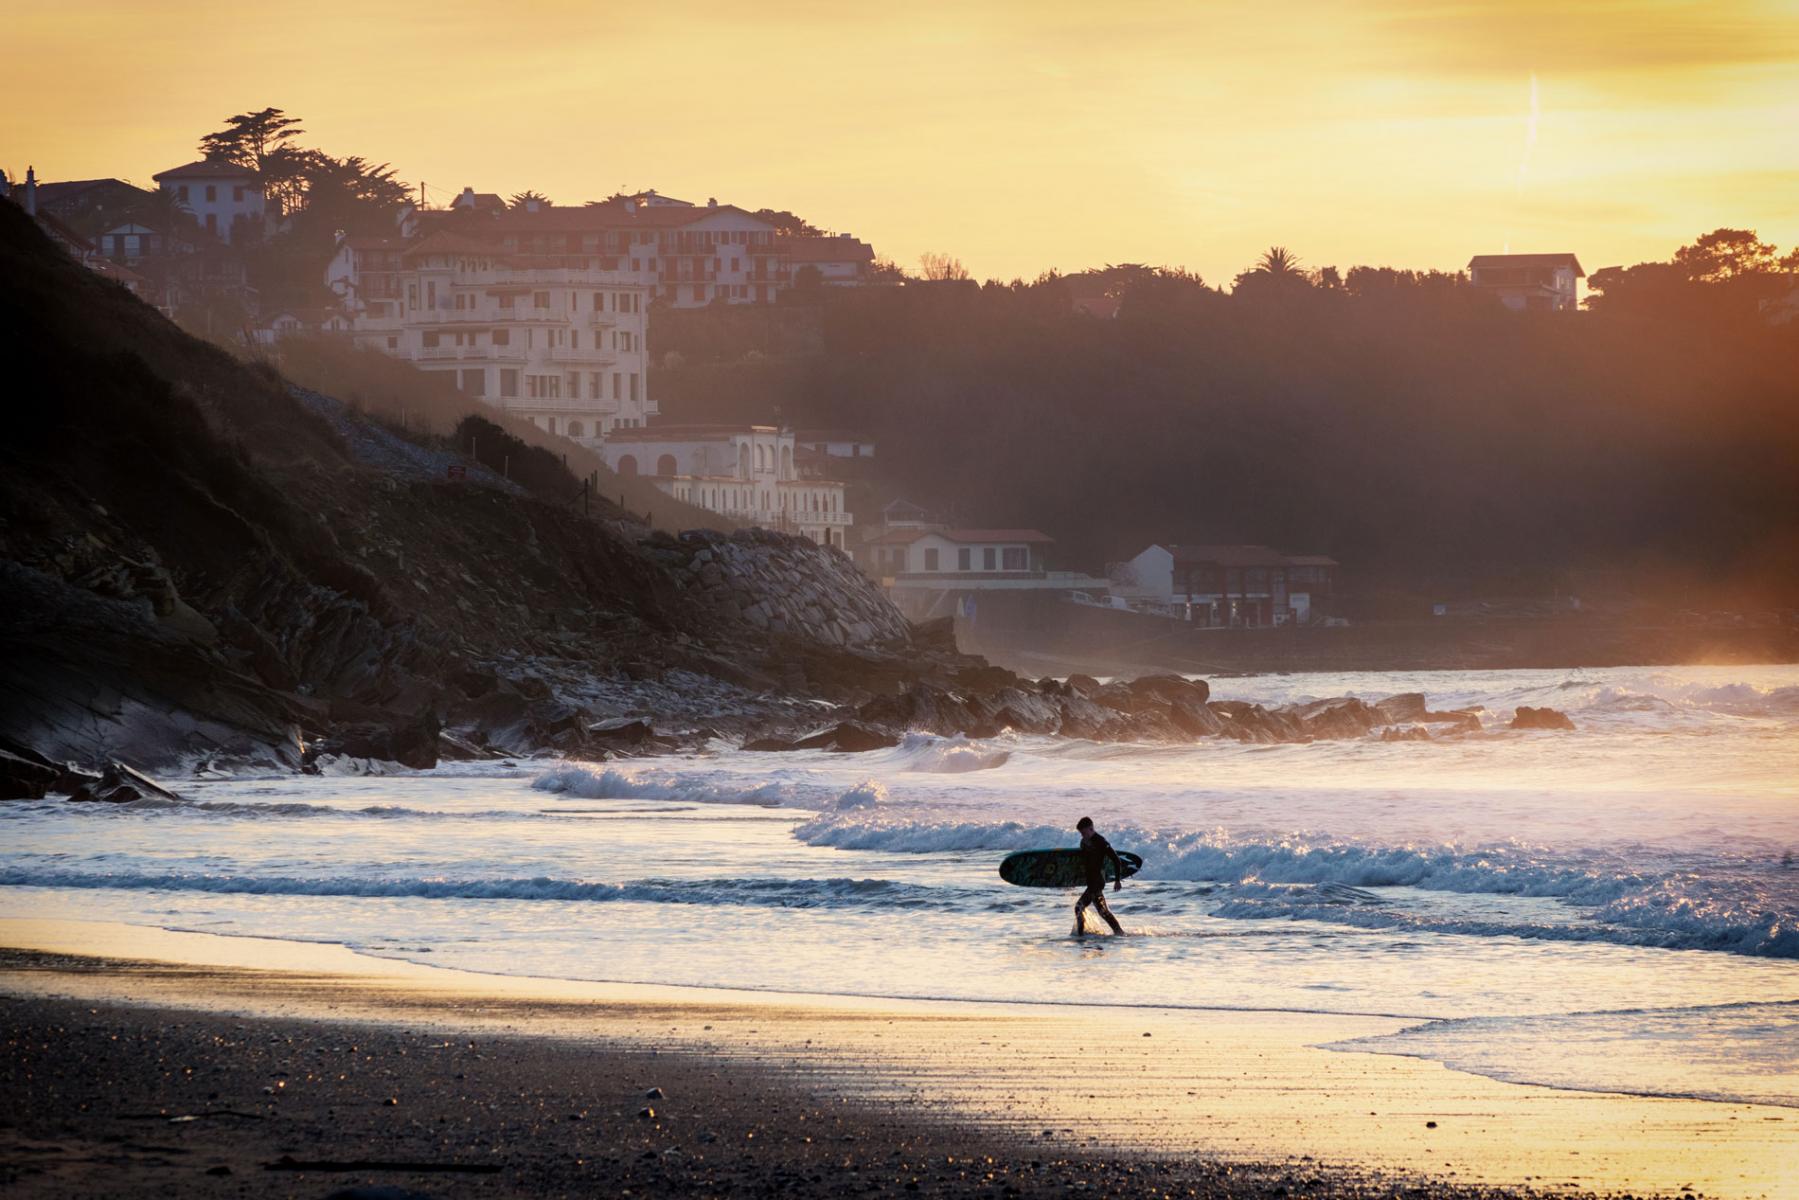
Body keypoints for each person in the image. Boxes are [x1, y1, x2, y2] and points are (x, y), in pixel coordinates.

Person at [1073, 816, 1126, 936]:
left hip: (1097, 882)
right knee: (1103, 912)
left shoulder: (1101, 842)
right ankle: (1119, 932)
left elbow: (1116, 860)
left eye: (1084, 833)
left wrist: (1117, 880)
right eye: (1081, 833)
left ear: (1091, 829)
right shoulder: (1084, 843)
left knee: (1079, 907)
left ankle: (1080, 936)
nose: (1082, 836)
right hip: (1091, 881)